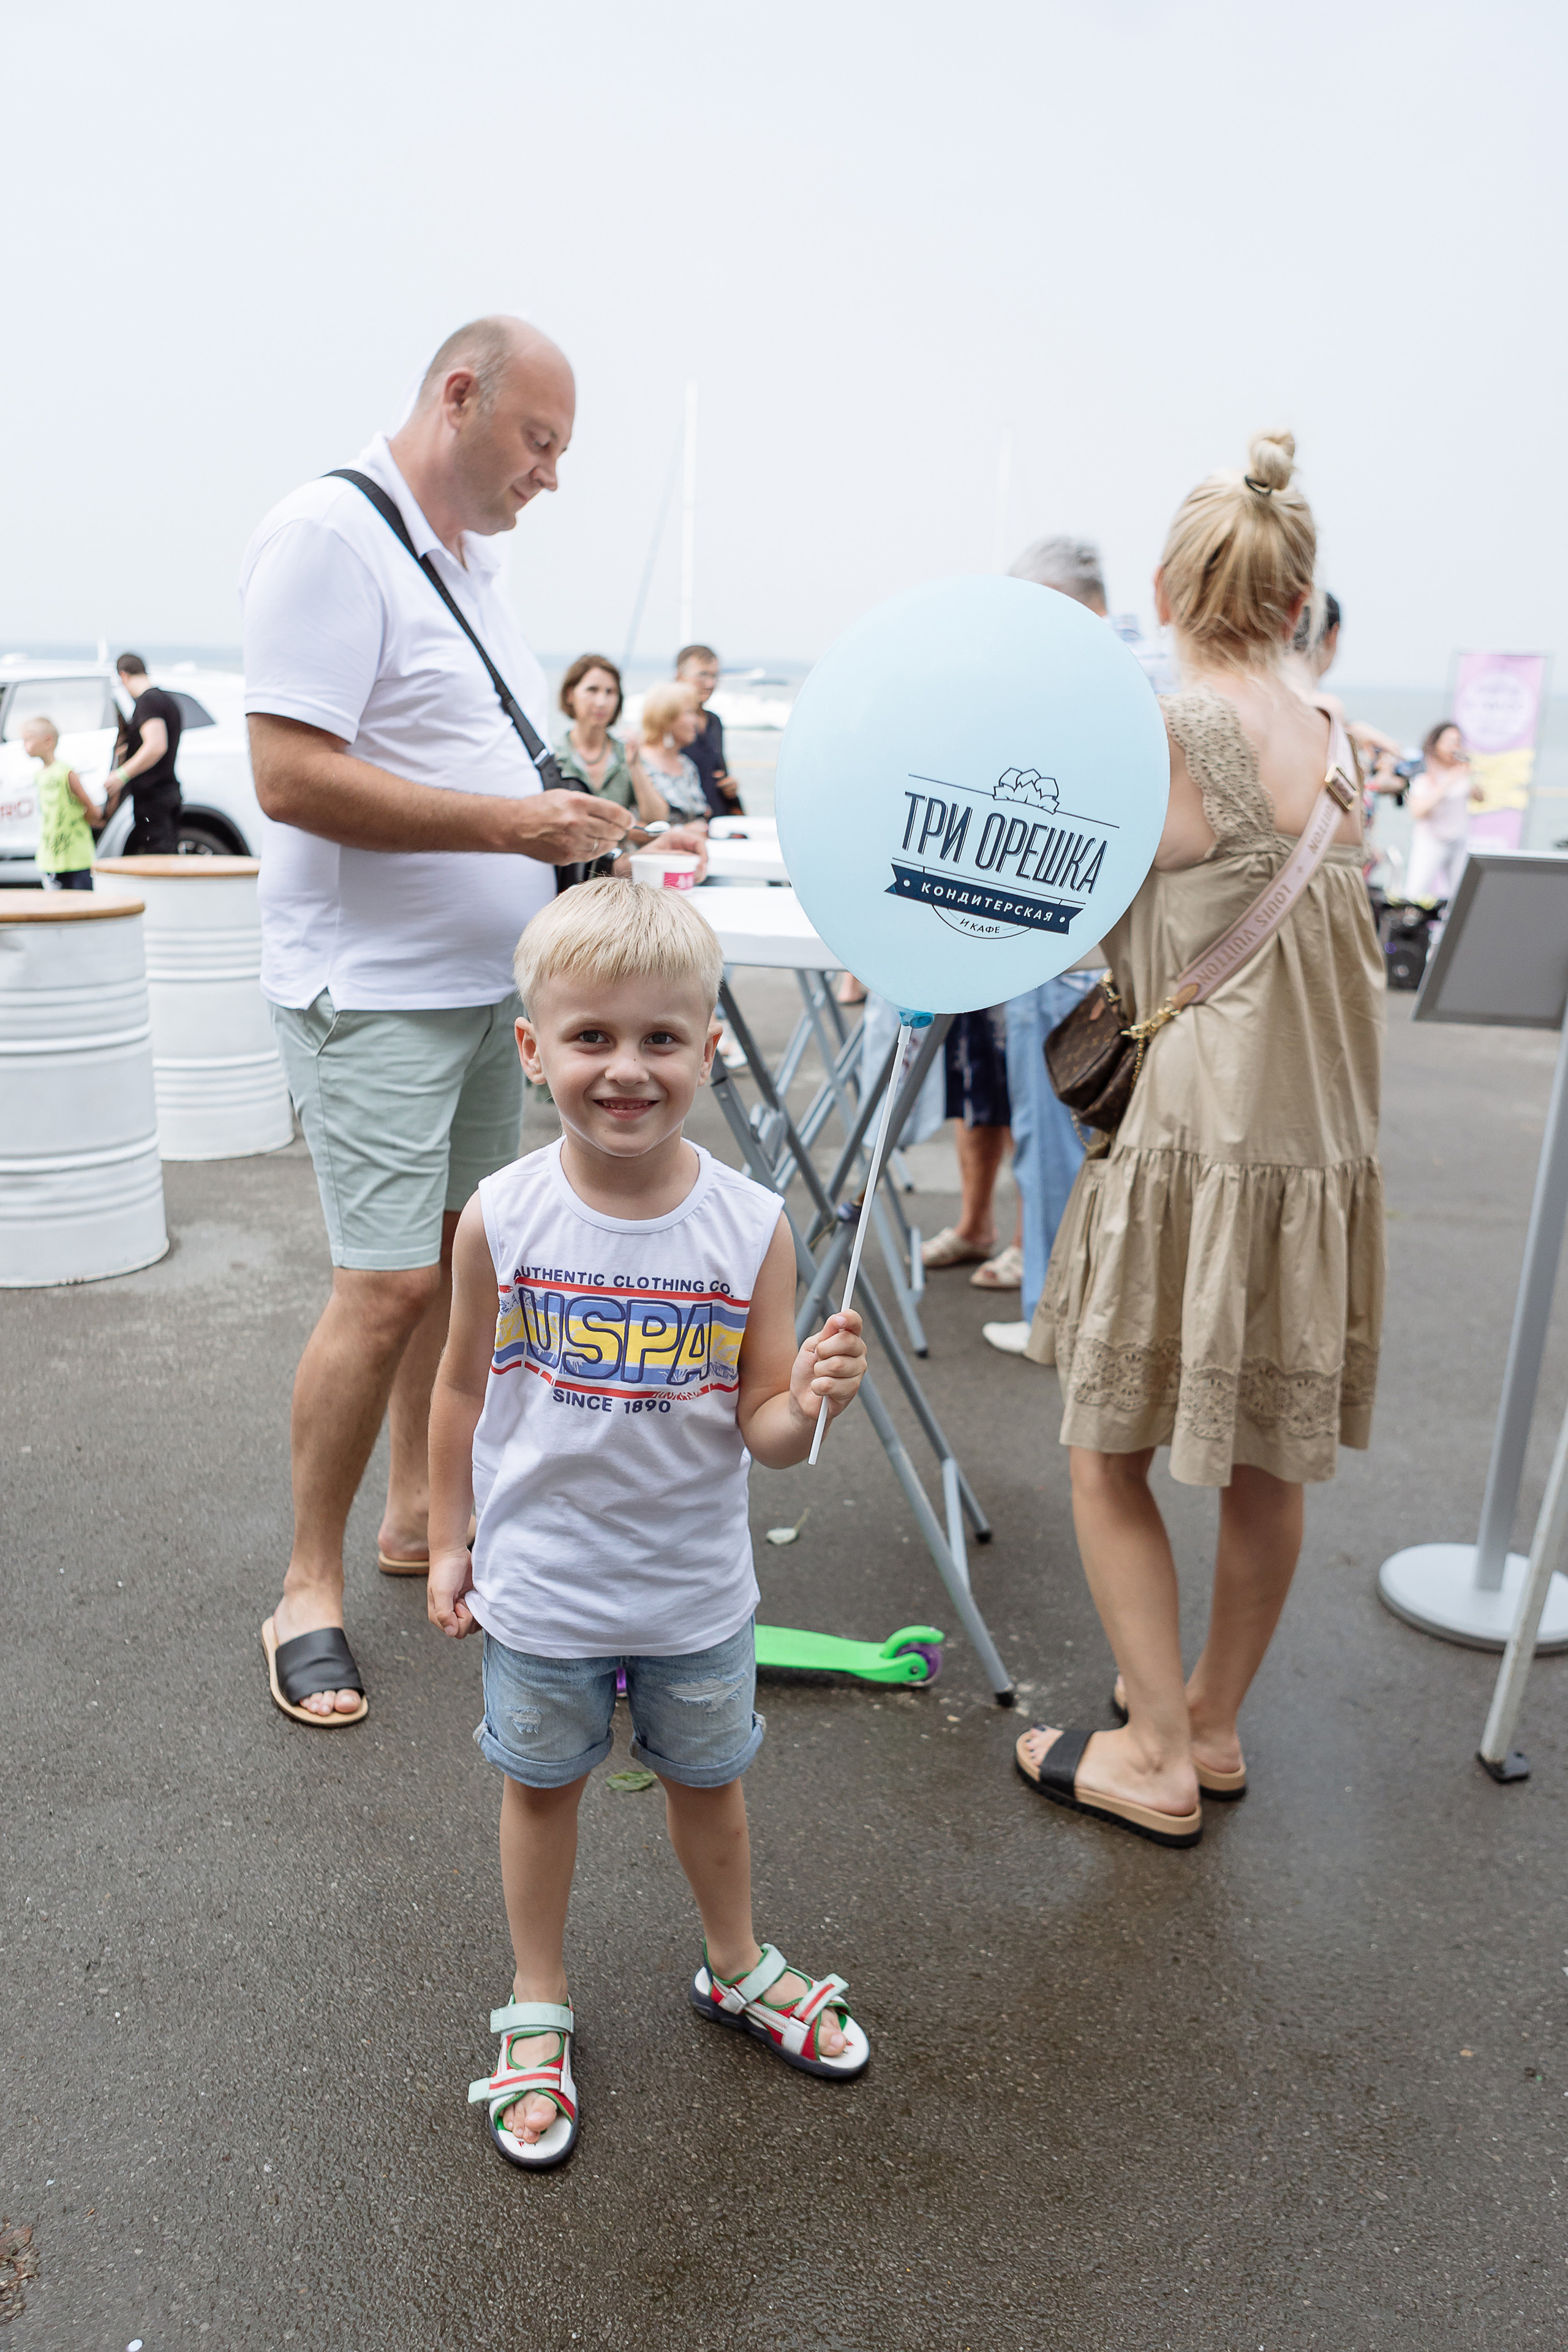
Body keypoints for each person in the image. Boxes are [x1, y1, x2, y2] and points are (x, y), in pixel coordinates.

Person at [241, 314, 709, 1727]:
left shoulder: (464, 560)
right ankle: (304, 1588)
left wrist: (579, 825)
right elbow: (285, 775)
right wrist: (516, 820)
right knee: (382, 1283)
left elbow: (472, 740)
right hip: (368, 989)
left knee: (451, 1266)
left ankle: (411, 1518)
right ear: (460, 398)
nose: (550, 475)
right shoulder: (330, 534)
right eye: (538, 441)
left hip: (463, 986)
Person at [426, 878, 870, 2168]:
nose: (626, 1069)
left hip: (691, 1592)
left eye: (660, 1039)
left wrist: (807, 1398)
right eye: (591, 1038)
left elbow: (769, 1440)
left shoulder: (749, 1226)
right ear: (531, 1048)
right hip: (541, 1589)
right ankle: (538, 1999)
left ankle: (733, 1965)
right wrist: (448, 1539)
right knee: (540, 1789)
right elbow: (460, 1385)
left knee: (711, 1786)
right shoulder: (502, 1214)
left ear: (709, 1045)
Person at [1015, 430, 1384, 1847]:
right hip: (1314, 1159)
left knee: (1103, 1449)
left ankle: (1150, 1749)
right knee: (1264, 1460)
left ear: (1165, 588)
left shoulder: (1160, 732)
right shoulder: (1338, 740)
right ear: (1296, 603)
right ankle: (1209, 1722)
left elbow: (1055, 909)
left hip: (1189, 1152)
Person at [553, 654, 667, 823]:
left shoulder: (625, 754)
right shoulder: (553, 754)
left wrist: (635, 766)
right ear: (570, 695)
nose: (602, 702)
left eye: (610, 692)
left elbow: (657, 820)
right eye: (592, 690)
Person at [105, 654, 183, 853]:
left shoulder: (148, 702)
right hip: (168, 791)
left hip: (154, 797)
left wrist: (122, 775)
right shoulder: (168, 701)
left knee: (158, 860)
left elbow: (156, 745)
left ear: (123, 676)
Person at [1404, 720, 1482, 905]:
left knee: (1460, 894)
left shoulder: (1462, 771)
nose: (1454, 747)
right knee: (1415, 891)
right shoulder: (1423, 772)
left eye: (1458, 742)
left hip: (1458, 839)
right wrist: (1448, 782)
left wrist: (1472, 775)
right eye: (1450, 742)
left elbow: (1480, 797)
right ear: (1436, 744)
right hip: (1431, 840)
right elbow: (1418, 811)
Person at [24, 717, 102, 891]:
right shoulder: (39, 776)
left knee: (83, 907)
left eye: (28, 739)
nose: (24, 746)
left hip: (76, 859)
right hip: (51, 859)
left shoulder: (65, 772)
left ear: (47, 741)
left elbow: (92, 810)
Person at [676, 643, 742, 816]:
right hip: (688, 820)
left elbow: (719, 770)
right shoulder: (668, 722)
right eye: (702, 675)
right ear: (680, 676)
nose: (710, 684)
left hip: (719, 816)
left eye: (715, 676)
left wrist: (729, 787)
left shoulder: (714, 722)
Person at [634, 680, 710, 821]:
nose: (696, 721)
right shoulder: (638, 762)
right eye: (690, 712)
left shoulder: (686, 765)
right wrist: (682, 833)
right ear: (666, 718)